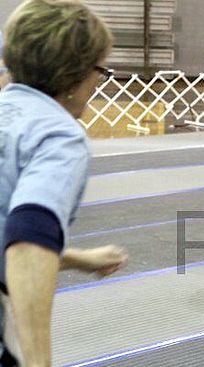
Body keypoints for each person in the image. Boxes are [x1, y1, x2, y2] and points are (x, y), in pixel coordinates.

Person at [0, 1, 128, 365]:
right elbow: (26, 244)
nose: (99, 82)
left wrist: (74, 258)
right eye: (100, 70)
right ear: (74, 74)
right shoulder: (58, 137)